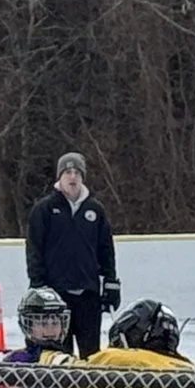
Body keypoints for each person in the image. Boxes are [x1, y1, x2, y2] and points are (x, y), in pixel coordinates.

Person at [25, 151, 119, 356]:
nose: (72, 176)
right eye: (67, 172)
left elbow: (106, 250)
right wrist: (38, 284)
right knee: (58, 354)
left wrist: (111, 282)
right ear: (60, 176)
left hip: (88, 295)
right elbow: (34, 250)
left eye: (77, 172)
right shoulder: (44, 210)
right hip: (55, 298)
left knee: (90, 356)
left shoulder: (96, 210)